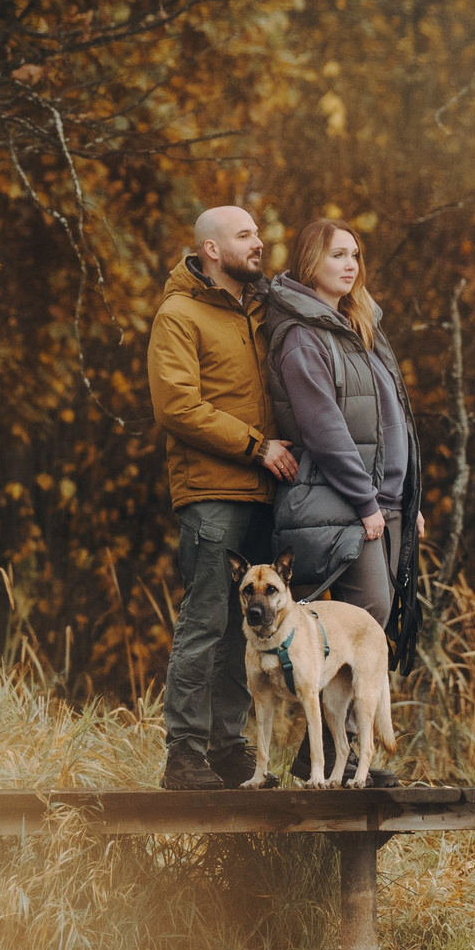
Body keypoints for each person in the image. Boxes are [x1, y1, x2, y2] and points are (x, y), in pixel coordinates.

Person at [263, 217, 423, 785]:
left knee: (374, 623)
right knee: (366, 614)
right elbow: (325, 427)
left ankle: (334, 754)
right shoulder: (303, 334)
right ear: (311, 262)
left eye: (355, 254)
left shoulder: (359, 325)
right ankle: (331, 751)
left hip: (385, 499)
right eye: (337, 254)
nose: (350, 265)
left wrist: (409, 497)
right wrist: (365, 502)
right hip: (340, 501)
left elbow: (391, 420)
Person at [146, 206, 299, 790]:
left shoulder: (260, 311)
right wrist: (256, 447)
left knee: (248, 627)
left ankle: (229, 749)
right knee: (206, 623)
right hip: (213, 494)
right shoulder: (178, 314)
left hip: (266, 496)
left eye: (259, 232)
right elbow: (177, 407)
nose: (258, 243)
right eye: (244, 236)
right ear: (212, 249)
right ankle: (183, 755)